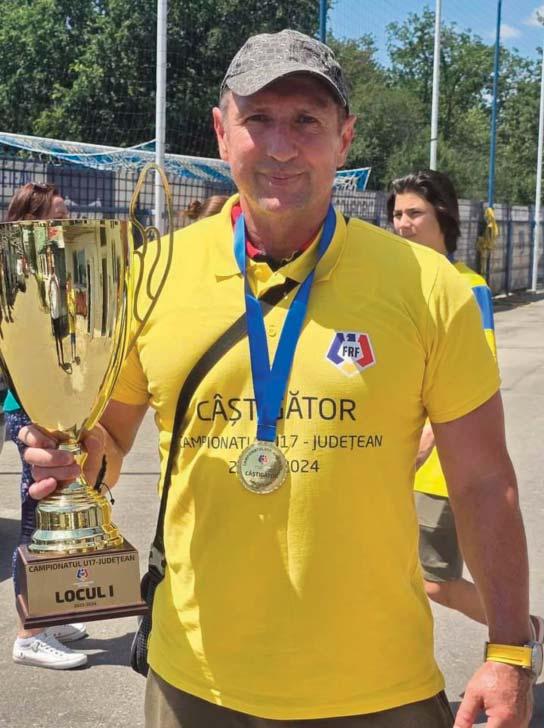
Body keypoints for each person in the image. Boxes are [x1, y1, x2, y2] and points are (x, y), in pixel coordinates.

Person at [22, 30, 536, 726]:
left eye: (306, 121)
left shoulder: (427, 286)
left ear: (345, 138)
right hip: (194, 680)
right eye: (258, 118)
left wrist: (509, 649)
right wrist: (75, 459)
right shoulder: (155, 271)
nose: (281, 146)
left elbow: (482, 480)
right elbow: (109, 440)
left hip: (376, 686)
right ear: (221, 131)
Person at [387, 170, 544, 642]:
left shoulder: (465, 286)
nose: (403, 223)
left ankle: (528, 635)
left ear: (444, 217)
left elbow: (475, 381)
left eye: (415, 213)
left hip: (436, 465)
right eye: (397, 213)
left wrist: (425, 443)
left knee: (435, 579)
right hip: (387, 459)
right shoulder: (392, 282)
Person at [4, 182, 88, 670]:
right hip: (28, 409)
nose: (66, 221)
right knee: (35, 520)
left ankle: (47, 614)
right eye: (58, 215)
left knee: (57, 515)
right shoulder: (14, 277)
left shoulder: (51, 270)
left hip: (55, 405)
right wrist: (19, 421)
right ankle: (29, 633)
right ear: (30, 221)